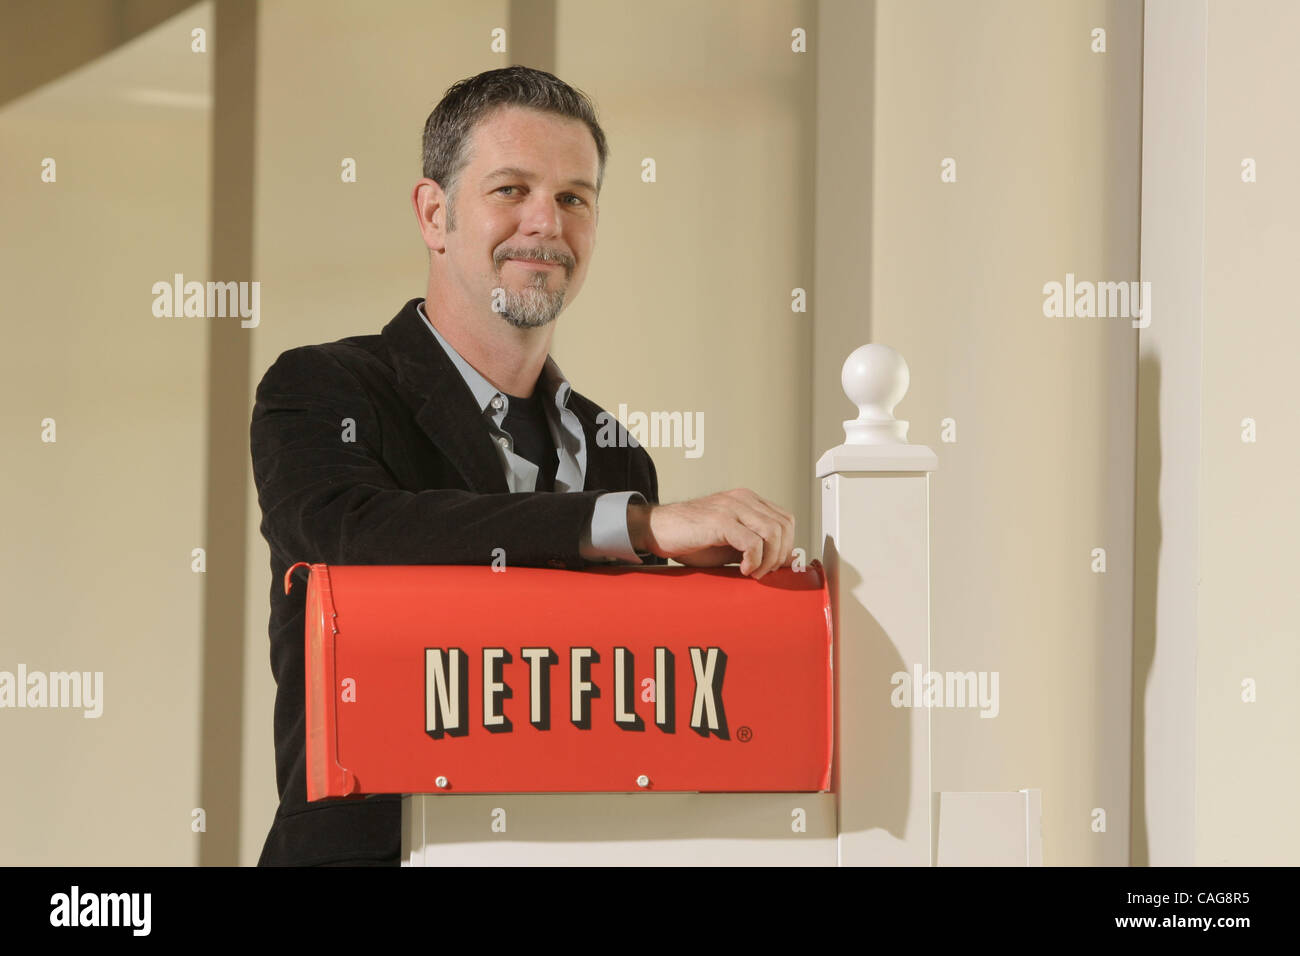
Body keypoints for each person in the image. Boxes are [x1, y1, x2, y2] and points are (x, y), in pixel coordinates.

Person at [249, 66, 795, 866]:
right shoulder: (323, 387)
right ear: (435, 215)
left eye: (575, 198)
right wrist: (635, 526)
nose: (546, 223)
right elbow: (351, 534)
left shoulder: (614, 449)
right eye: (511, 190)